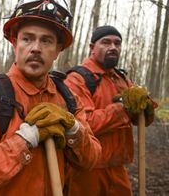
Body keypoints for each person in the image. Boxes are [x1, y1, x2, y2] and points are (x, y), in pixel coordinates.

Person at [0, 0, 101, 195]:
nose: (36, 48)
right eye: (27, 39)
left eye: (46, 41)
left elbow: (92, 159)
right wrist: (24, 140)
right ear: (14, 43)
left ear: (58, 49)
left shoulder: (68, 98)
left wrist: (73, 129)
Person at [64, 25, 158, 195]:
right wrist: (123, 109)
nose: (113, 47)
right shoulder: (77, 79)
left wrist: (147, 107)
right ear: (92, 48)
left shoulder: (122, 79)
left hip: (117, 168)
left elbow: (141, 119)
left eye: (117, 43)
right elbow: (85, 123)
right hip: (87, 169)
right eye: (106, 42)